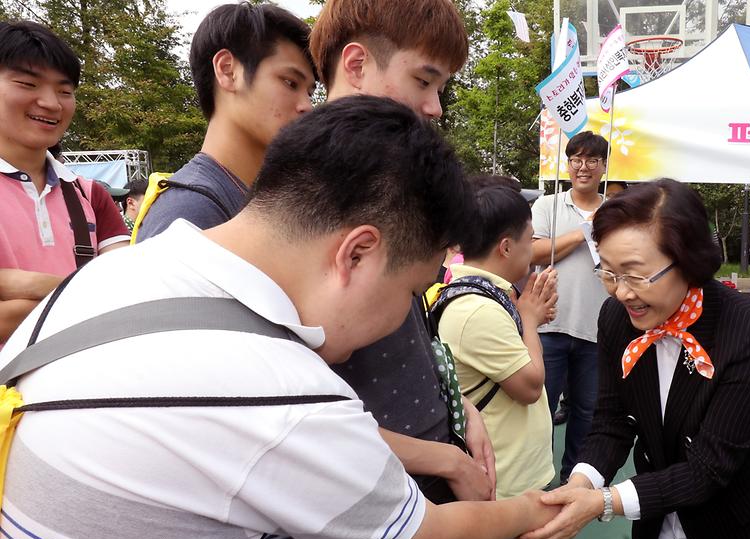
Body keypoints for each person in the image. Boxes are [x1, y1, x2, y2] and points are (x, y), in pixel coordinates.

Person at [0, 96, 561, 539]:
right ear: (357, 253)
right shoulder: (284, 389)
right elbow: (429, 537)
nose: (398, 321)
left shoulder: (108, 278)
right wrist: (534, 510)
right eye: (409, 292)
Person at [517, 179, 750, 539]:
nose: (621, 291)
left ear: (690, 262)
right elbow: (611, 422)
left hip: (741, 526)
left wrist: (601, 503)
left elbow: (711, 467)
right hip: (663, 523)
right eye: (609, 272)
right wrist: (581, 482)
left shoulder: (747, 330)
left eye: (636, 275)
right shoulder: (619, 317)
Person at [312, 0, 497, 509]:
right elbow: (298, 412)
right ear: (355, 65)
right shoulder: (302, 195)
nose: (435, 107)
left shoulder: (390, 178)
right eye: (423, 81)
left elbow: (414, 334)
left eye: (441, 88)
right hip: (368, 500)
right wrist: (445, 460)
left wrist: (460, 409)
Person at [433, 184, 557, 539]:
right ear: (506, 246)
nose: (534, 250)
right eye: (530, 241)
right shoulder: (477, 309)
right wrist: (531, 320)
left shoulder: (483, 294)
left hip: (501, 476)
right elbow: (529, 384)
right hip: (497, 485)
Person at [135, 2, 315, 240]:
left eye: (310, 92)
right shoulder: (189, 214)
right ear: (228, 71)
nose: (307, 107)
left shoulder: (260, 199)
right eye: (290, 83)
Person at [0, 21, 129, 345]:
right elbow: (99, 299)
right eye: (27, 84)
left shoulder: (91, 195)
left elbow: (124, 296)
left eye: (65, 91)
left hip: (79, 387)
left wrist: (21, 286)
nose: (52, 103)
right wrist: (76, 293)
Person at [530, 130, 608, 483]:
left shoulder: (616, 211)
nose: (583, 167)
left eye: (592, 160)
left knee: (588, 412)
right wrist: (583, 232)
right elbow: (532, 252)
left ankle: (573, 480)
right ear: (567, 164)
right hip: (549, 325)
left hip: (598, 328)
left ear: (604, 166)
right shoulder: (547, 205)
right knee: (540, 411)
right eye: (576, 159)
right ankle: (537, 478)